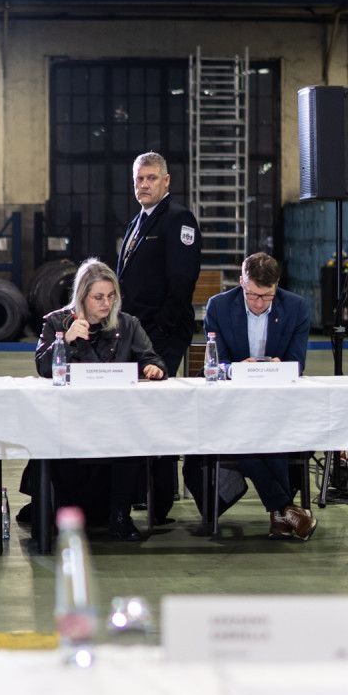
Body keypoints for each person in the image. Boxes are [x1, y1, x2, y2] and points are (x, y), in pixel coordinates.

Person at [27, 259, 165, 543]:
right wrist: (64, 341)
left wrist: (153, 368)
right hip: (71, 417)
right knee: (56, 439)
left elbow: (152, 358)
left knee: (133, 436)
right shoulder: (56, 322)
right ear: (82, 296)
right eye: (98, 297)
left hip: (116, 418)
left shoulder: (128, 324)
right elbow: (43, 368)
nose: (106, 304)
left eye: (111, 296)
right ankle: (67, 512)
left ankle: (120, 516)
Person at [197, 253, 316, 541]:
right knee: (248, 438)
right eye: (252, 295)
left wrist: (278, 367)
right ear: (241, 282)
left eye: (267, 296)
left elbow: (297, 363)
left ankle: (281, 514)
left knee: (267, 434)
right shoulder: (218, 306)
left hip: (277, 404)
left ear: (277, 286)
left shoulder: (296, 307)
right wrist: (236, 369)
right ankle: (285, 510)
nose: (259, 303)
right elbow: (215, 364)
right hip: (232, 406)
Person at [113, 152, 202, 520]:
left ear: (167, 181)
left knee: (157, 411)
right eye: (139, 179)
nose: (144, 185)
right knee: (137, 411)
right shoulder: (137, 222)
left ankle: (161, 499)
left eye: (151, 178)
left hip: (162, 333)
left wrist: (160, 329)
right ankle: (139, 490)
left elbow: (182, 280)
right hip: (135, 333)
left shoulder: (178, 219)